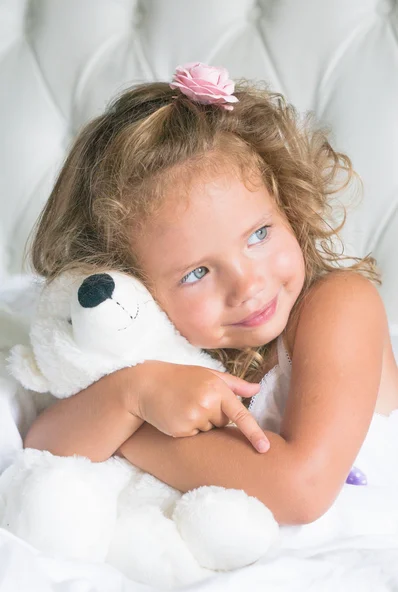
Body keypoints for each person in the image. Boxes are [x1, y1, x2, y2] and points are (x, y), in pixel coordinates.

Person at [24, 63, 398, 525]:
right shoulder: (159, 354)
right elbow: (41, 445)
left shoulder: (341, 305)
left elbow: (301, 491)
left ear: (289, 207)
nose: (248, 284)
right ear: (132, 283)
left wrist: (132, 428)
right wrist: (131, 393)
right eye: (197, 272)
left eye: (259, 234)